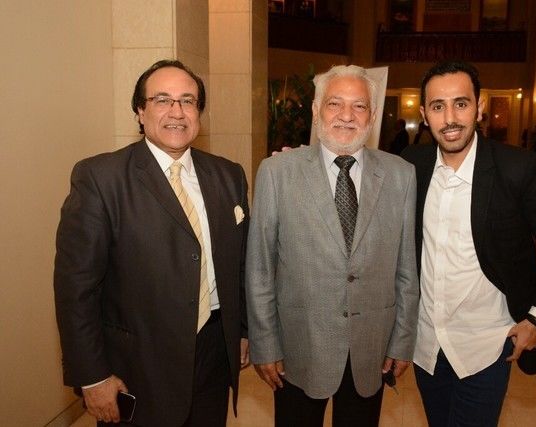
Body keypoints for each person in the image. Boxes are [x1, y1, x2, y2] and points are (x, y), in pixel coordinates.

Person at [54, 59, 250, 426]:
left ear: (199, 113)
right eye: (162, 100)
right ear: (140, 112)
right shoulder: (101, 178)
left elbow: (239, 263)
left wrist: (241, 331)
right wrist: (92, 376)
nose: (177, 111)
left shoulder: (228, 175)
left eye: (188, 101)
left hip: (213, 354)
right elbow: (76, 288)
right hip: (138, 363)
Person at [401, 60, 536, 426]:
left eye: (461, 103)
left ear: (479, 107)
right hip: (426, 346)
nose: (450, 118)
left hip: (487, 347)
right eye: (437, 106)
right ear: (423, 115)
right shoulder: (411, 166)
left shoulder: (518, 168)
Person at [246, 65, 419, 426]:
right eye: (335, 103)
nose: (346, 116)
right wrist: (265, 344)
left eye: (359, 106)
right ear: (316, 110)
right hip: (298, 349)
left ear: (373, 115)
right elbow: (260, 268)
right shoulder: (276, 172)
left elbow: (406, 269)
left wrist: (402, 340)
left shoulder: (401, 175)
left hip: (371, 351)